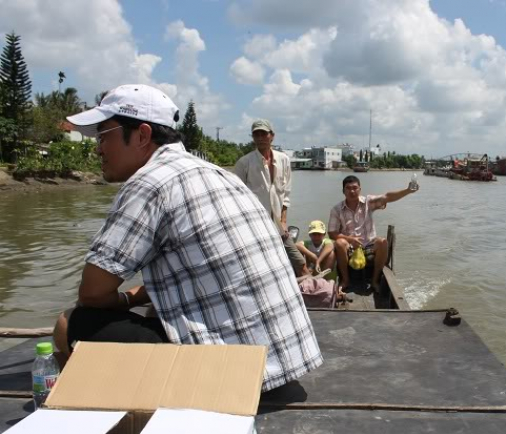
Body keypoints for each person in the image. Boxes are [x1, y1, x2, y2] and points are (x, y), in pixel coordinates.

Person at [52, 84, 322, 392]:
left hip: (235, 376)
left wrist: (126, 299)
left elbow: (92, 293)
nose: (98, 148)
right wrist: (141, 295)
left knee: (69, 323)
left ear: (141, 135)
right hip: (286, 359)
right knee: (158, 306)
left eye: (103, 135)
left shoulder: (149, 183)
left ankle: (73, 401)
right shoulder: (217, 174)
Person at [234, 119, 308, 277]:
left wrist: (283, 221)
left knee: (300, 263)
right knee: (261, 267)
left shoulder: (284, 160)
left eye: (263, 133)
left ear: (272, 136)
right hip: (255, 225)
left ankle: (313, 291)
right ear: (253, 137)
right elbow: (236, 197)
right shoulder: (244, 163)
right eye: (256, 134)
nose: (260, 137)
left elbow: (286, 194)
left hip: (279, 226)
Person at [328, 175, 418, 293]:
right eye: (348, 188)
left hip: (369, 245)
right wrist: (349, 239)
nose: (352, 191)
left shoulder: (368, 202)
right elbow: (331, 233)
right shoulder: (336, 209)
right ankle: (345, 280)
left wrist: (407, 191)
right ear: (343, 191)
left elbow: (387, 197)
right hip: (349, 247)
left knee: (383, 242)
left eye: (355, 188)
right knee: (339, 242)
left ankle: (375, 281)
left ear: (360, 189)